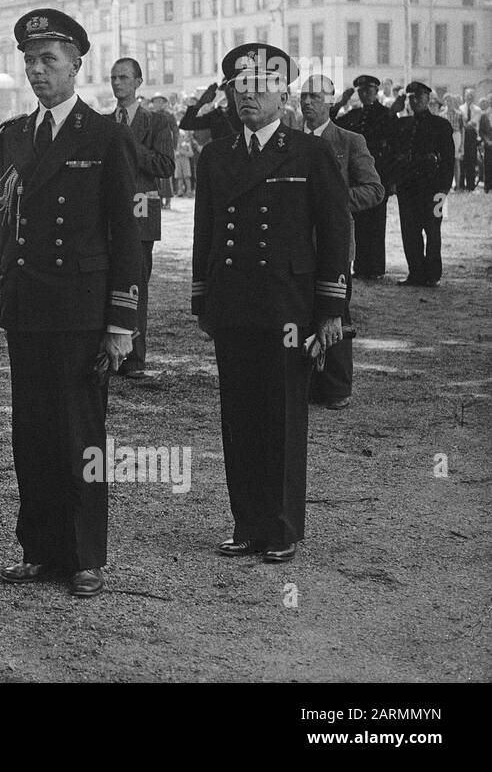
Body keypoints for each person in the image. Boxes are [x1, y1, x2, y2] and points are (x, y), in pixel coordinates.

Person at [0, 8, 141, 597]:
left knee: (80, 433)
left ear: (77, 64)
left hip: (81, 310)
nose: (37, 71)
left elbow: (124, 234)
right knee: (30, 432)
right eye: (30, 61)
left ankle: (84, 555)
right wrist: (5, 305)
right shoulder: (13, 136)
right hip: (29, 309)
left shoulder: (105, 134)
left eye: (48, 60)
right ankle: (40, 549)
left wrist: (121, 321)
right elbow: (9, 230)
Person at [192, 43, 349, 565]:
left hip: (288, 306)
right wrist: (203, 302)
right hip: (234, 304)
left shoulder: (308, 152)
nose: (248, 95)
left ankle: (281, 528)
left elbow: (333, 233)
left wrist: (330, 310)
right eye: (240, 85)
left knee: (281, 416)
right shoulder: (216, 155)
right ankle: (246, 525)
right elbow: (205, 234)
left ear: (284, 92)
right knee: (238, 416)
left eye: (260, 85)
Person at [300, 74, 384, 410]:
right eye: (304, 96)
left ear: (332, 101)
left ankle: (335, 386)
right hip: (295, 246)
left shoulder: (349, 141)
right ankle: (304, 383)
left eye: (316, 97)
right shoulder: (289, 142)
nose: (308, 102)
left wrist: (333, 203)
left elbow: (374, 189)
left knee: (336, 311)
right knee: (300, 312)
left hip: (333, 246)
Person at [107, 59, 175, 379]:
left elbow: (165, 166)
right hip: (109, 216)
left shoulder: (157, 123)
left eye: (124, 78)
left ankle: (135, 357)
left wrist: (129, 144)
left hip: (142, 213)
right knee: (108, 283)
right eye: (113, 78)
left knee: (137, 285)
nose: (117, 83)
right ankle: (109, 352)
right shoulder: (104, 123)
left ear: (138, 83)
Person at [330, 75, 399, 280]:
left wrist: (392, 180)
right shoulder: (354, 115)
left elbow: (395, 149)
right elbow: (330, 121)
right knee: (358, 222)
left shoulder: (387, 114)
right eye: (361, 91)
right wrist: (340, 103)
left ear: (376, 91)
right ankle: (360, 266)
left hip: (379, 176)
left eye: (369, 90)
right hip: (355, 176)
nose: (365, 94)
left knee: (376, 223)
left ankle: (375, 267)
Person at [394, 81, 455, 287]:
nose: (414, 101)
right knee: (410, 232)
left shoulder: (441, 125)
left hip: (434, 188)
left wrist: (444, 189)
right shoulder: (402, 124)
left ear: (428, 99)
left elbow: (448, 159)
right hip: (408, 188)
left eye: (418, 97)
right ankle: (415, 273)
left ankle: (432, 275)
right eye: (410, 97)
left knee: (433, 231)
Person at [458, 88, 481, 191]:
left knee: (471, 161)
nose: (469, 96)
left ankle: (470, 186)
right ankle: (461, 185)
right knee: (462, 161)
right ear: (464, 96)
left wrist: (466, 124)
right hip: (462, 136)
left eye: (471, 95)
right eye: (468, 95)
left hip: (472, 137)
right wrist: (465, 124)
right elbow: (460, 123)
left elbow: (473, 123)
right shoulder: (460, 108)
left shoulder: (477, 110)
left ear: (474, 97)